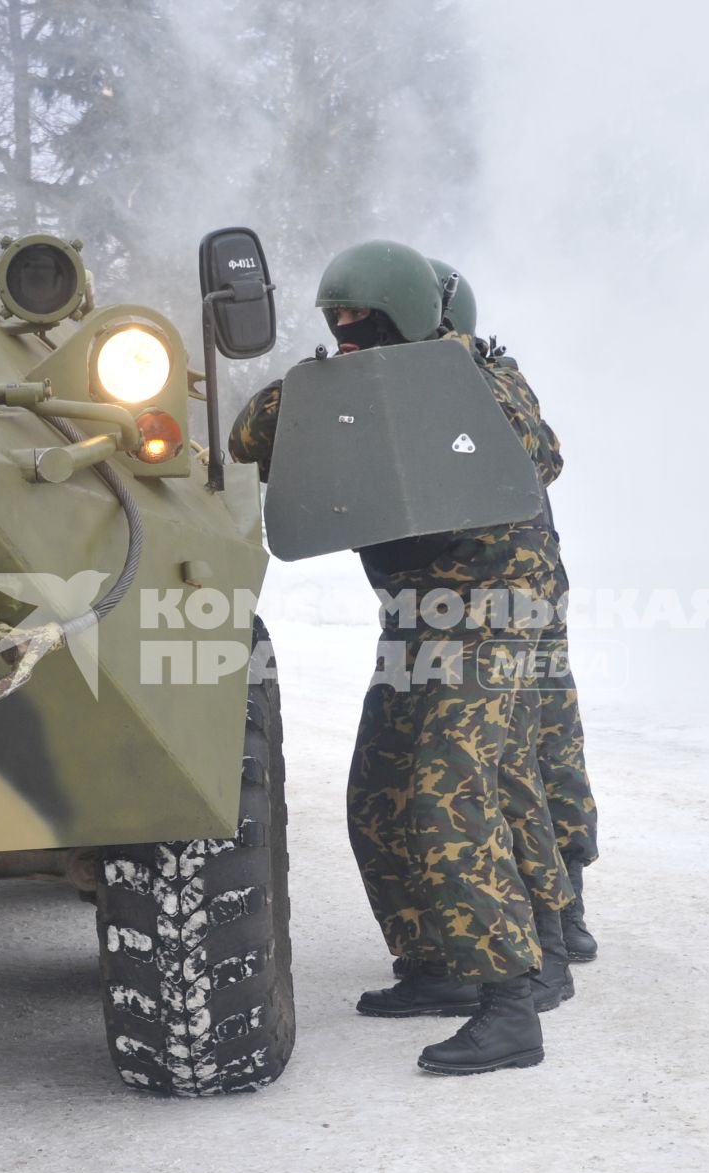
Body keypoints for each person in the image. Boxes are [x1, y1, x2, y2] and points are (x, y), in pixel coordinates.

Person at [229, 240, 573, 1075]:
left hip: (493, 609)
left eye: (362, 319)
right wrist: (321, 388)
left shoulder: (478, 377)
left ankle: (509, 999)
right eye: (337, 320)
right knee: (377, 793)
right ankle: (437, 962)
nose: (347, 331)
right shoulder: (344, 388)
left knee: (450, 789)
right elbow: (250, 436)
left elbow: (543, 453)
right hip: (416, 617)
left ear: (406, 315)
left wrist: (435, 373)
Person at [426, 258, 602, 966]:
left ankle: (565, 905)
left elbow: (545, 455)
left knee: (546, 743)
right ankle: (545, 911)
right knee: (529, 746)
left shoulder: (487, 376)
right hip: (507, 592)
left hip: (525, 595)